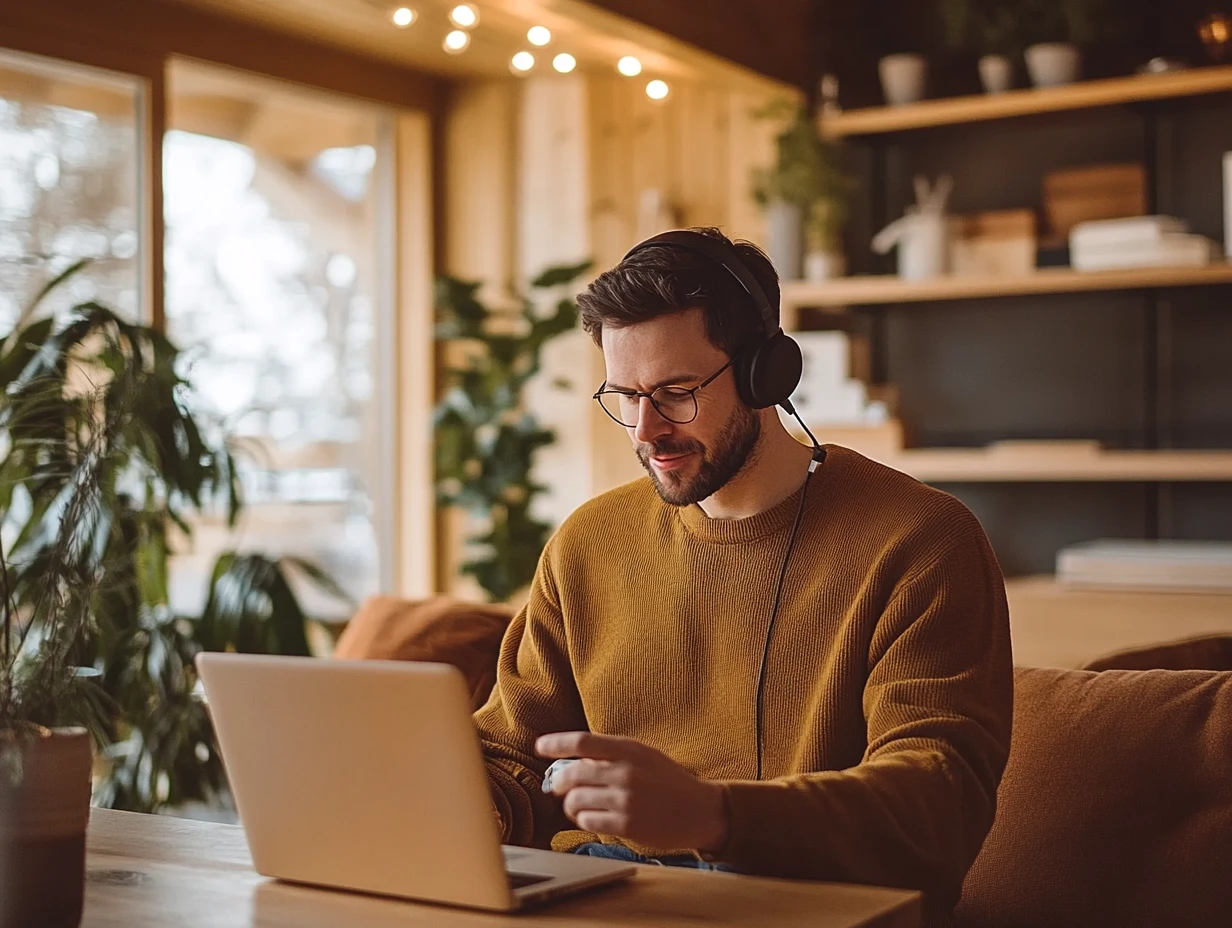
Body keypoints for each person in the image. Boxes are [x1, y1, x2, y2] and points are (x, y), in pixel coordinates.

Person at [475, 227, 1013, 924]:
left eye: (675, 392)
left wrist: (714, 816)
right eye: (625, 396)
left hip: (811, 908)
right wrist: (459, 808)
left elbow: (938, 805)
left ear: (767, 373)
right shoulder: (589, 542)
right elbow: (513, 752)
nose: (645, 431)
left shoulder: (920, 541)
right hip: (605, 897)